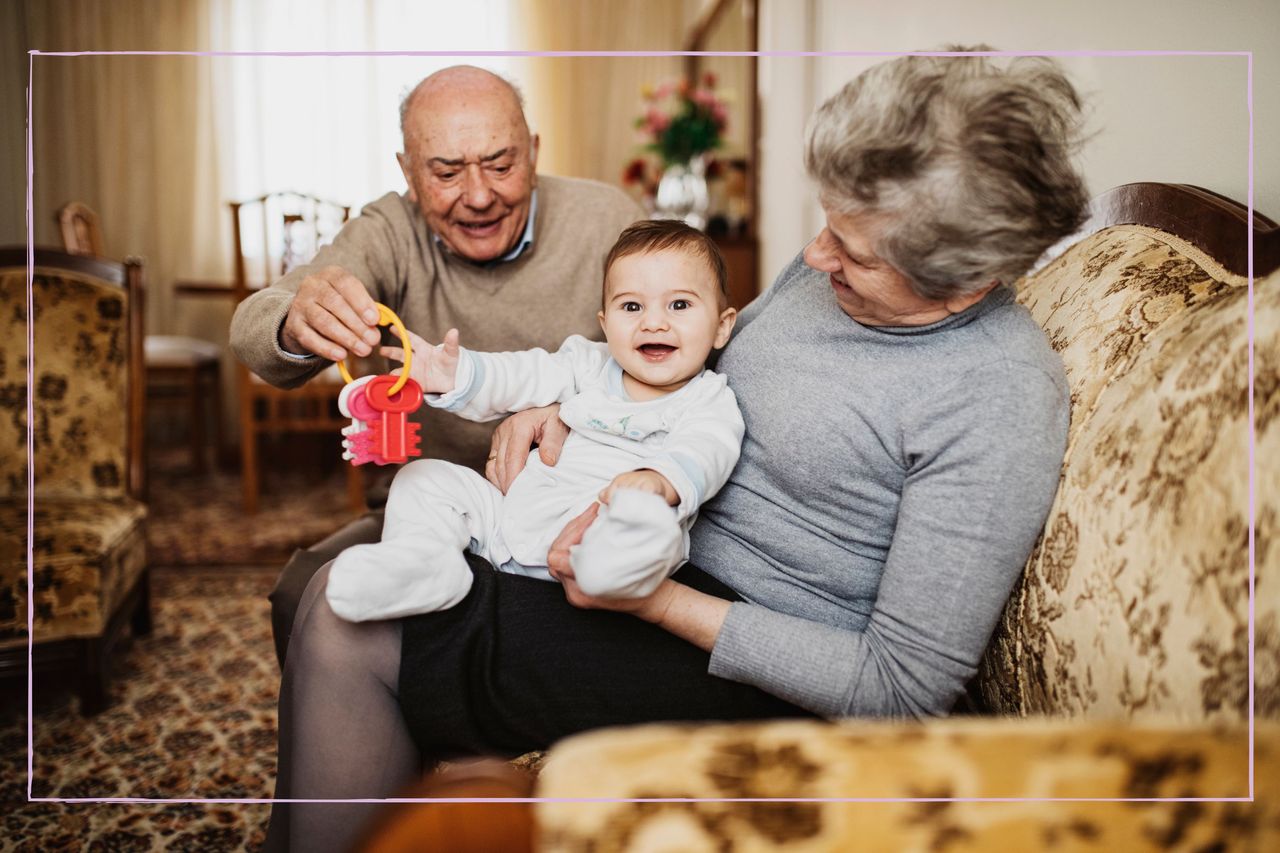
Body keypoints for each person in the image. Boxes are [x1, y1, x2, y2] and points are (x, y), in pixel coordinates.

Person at [265, 50, 1089, 853]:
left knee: (349, 620)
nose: (814, 257)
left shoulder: (997, 394)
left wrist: (654, 600)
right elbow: (699, 364)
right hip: (646, 538)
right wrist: (570, 403)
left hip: (740, 646)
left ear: (968, 280)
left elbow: (899, 685)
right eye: (828, 226)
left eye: (855, 253)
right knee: (352, 581)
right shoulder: (833, 271)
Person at [228, 65, 643, 663]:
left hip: (577, 505)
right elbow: (253, 326)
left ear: (533, 151)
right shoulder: (389, 230)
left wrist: (571, 409)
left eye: (501, 165)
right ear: (408, 173)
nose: (478, 196)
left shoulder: (608, 219)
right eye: (446, 172)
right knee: (305, 596)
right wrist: (297, 319)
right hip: (428, 512)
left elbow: (687, 347)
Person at [326, 220, 741, 621]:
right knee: (425, 479)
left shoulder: (709, 400)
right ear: (605, 323)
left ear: (722, 327)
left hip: (599, 534)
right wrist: (453, 374)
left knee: (646, 528)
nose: (653, 321)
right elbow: (521, 374)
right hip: (508, 521)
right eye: (631, 306)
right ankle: (425, 564)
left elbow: (707, 450)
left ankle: (612, 572)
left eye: (680, 304)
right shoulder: (588, 363)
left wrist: (657, 480)